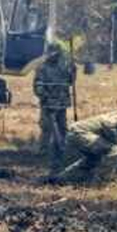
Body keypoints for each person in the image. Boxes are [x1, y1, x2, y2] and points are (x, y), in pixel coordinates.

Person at [56, 109, 117, 184]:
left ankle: (61, 179)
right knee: (115, 151)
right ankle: (100, 183)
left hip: (78, 133)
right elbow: (107, 123)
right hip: (81, 133)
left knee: (93, 159)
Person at [33, 43, 76, 174]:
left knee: (63, 127)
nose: (55, 57)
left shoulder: (64, 67)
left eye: (57, 54)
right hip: (48, 103)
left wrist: (73, 72)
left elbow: (69, 82)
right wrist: (45, 96)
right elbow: (38, 85)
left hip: (62, 102)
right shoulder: (42, 68)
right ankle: (43, 151)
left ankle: (64, 150)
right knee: (46, 127)